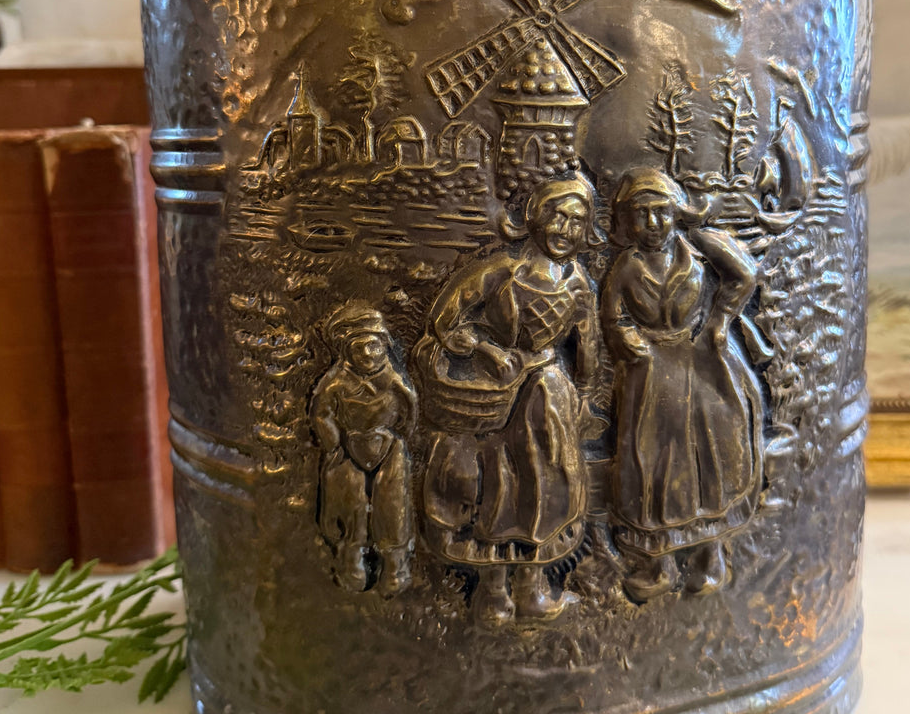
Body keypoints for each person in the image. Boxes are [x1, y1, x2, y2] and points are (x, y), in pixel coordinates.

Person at [414, 174, 603, 624]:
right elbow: (445, 321)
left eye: (576, 221)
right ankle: (493, 590)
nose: (565, 229)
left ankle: (531, 587)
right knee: (497, 483)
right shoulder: (499, 271)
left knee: (545, 483)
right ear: (535, 218)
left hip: (547, 394)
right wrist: (486, 350)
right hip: (494, 395)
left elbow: (588, 347)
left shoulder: (577, 284)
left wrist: (583, 395)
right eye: (557, 216)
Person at [601, 168, 764, 603]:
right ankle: (657, 563)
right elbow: (612, 316)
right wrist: (627, 339)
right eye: (641, 214)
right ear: (627, 221)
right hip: (652, 374)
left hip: (701, 363)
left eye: (661, 212)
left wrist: (719, 320)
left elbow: (744, 274)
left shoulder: (699, 248)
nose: (652, 223)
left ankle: (711, 556)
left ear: (677, 212)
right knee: (653, 461)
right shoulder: (627, 267)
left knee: (711, 455)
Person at [311, 303, 417, 595]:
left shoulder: (393, 380)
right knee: (350, 501)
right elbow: (322, 414)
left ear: (385, 346)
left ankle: (394, 563)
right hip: (349, 448)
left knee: (392, 502)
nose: (368, 355)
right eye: (359, 349)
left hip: (388, 448)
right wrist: (334, 444)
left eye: (374, 347)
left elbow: (410, 410)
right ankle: (350, 557)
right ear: (347, 352)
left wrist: (398, 437)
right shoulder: (336, 382)